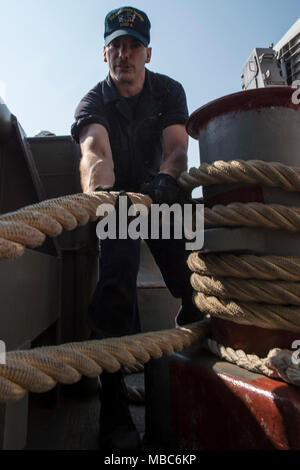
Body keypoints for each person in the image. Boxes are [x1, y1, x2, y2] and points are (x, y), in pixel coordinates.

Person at [71, 6, 201, 451]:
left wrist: (165, 179)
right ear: (104, 52)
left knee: (194, 279)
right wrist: (104, 195)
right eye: (116, 45)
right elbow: (95, 153)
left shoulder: (169, 91)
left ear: (148, 52)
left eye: (133, 46)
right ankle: (114, 413)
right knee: (115, 287)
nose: (124, 54)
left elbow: (177, 148)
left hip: (161, 195)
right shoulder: (93, 101)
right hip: (120, 205)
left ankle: (191, 372)